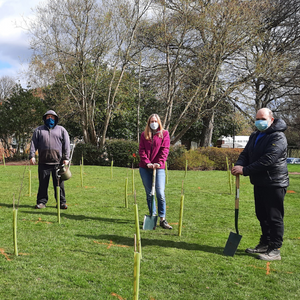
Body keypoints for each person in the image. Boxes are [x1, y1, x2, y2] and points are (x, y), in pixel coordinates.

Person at [231, 108, 289, 261]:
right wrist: (239, 165)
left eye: (262, 118)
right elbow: (246, 153)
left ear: (271, 119)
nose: (259, 122)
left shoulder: (278, 136)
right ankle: (264, 243)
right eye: (257, 118)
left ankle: (275, 248)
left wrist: (246, 170)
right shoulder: (255, 135)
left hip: (275, 182)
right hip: (260, 182)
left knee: (274, 217)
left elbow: (268, 160)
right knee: (262, 215)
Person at [29, 110, 71, 209]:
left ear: (56, 118)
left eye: (52, 117)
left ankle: (61, 203)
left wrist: (66, 158)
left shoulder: (61, 130)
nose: (50, 119)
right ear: (45, 118)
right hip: (43, 162)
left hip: (58, 163)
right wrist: (32, 156)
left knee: (59, 185)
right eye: (48, 117)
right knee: (43, 184)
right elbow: (33, 144)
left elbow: (67, 145)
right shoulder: (38, 130)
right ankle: (41, 203)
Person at [139, 114, 172, 229]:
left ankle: (162, 218)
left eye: (155, 121)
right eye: (152, 121)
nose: (154, 123)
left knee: (160, 193)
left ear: (159, 122)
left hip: (159, 168)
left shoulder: (164, 134)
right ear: (148, 123)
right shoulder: (144, 135)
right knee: (149, 194)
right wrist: (147, 162)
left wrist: (159, 162)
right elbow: (142, 150)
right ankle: (152, 216)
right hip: (145, 167)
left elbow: (165, 149)